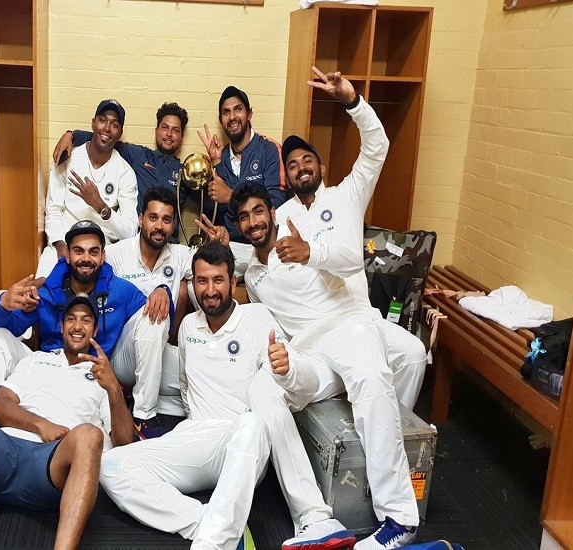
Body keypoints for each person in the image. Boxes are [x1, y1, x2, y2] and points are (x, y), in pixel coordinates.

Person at [234, 66, 420, 549]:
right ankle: (314, 516)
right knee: (263, 388)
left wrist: (352, 101)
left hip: (350, 322)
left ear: (319, 165)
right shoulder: (277, 225)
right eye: (292, 164)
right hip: (311, 351)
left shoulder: (344, 196)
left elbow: (351, 255)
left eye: (307, 160)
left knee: (390, 366)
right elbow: (249, 240)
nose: (300, 167)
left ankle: (399, 514)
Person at [100, 242, 333, 550]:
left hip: (242, 444)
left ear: (233, 283)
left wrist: (289, 369)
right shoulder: (188, 326)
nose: (210, 290)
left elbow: (307, 385)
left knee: (252, 423)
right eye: (202, 281)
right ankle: (208, 521)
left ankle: (213, 542)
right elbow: (185, 387)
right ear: (193, 284)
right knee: (111, 465)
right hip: (194, 437)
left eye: (218, 280)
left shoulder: (257, 321)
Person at [0, 296, 135, 550]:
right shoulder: (36, 360)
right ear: (61, 327)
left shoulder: (102, 377)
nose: (77, 326)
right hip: (3, 453)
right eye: (71, 319)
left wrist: (113, 389)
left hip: (49, 467)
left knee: (90, 436)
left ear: (95, 330)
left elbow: (124, 440)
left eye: (86, 321)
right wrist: (40, 424)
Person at [0, 220, 171, 439]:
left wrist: (163, 291)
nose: (86, 258)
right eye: (78, 251)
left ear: (102, 256)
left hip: (99, 365)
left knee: (154, 318)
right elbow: (4, 330)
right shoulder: (47, 293)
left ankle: (144, 416)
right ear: (67, 255)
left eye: (93, 252)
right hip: (49, 363)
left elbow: (153, 312)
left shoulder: (118, 290)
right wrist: (2, 306)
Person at [104, 187, 195, 416]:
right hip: (122, 355)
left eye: (166, 220)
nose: (159, 226)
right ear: (141, 219)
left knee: (200, 373)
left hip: (160, 350)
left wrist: (221, 245)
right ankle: (143, 415)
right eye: (153, 218)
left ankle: (196, 423)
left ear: (173, 225)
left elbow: (213, 267)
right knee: (154, 316)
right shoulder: (117, 254)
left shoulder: (180, 255)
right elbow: (80, 268)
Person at [39, 99, 138, 277]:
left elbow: (130, 231)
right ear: (93, 123)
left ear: (120, 133)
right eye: (102, 120)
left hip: (102, 250)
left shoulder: (125, 173)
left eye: (114, 124)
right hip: (65, 242)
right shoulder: (68, 157)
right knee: (42, 287)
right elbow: (53, 209)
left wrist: (101, 207)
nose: (107, 128)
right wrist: (60, 245)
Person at [53, 102, 190, 226]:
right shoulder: (138, 155)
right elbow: (103, 138)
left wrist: (208, 161)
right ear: (156, 130)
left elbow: (203, 203)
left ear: (182, 136)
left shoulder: (187, 173)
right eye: (164, 128)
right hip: (139, 238)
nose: (169, 134)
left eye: (175, 130)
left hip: (170, 240)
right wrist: (71, 135)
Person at [197, 85, 286, 273]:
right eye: (226, 112)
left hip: (264, 245)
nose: (232, 117)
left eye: (238, 109)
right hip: (230, 247)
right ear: (221, 120)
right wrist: (216, 163)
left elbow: (277, 203)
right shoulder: (220, 157)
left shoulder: (269, 149)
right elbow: (217, 214)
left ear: (249, 114)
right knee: (196, 280)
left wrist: (231, 196)